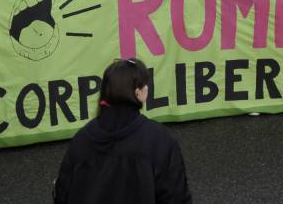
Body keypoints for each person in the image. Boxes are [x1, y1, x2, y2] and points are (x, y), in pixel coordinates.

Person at [53, 58, 190, 204]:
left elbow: (62, 194)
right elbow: (176, 196)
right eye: (145, 84)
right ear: (138, 93)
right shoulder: (160, 140)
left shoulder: (82, 139)